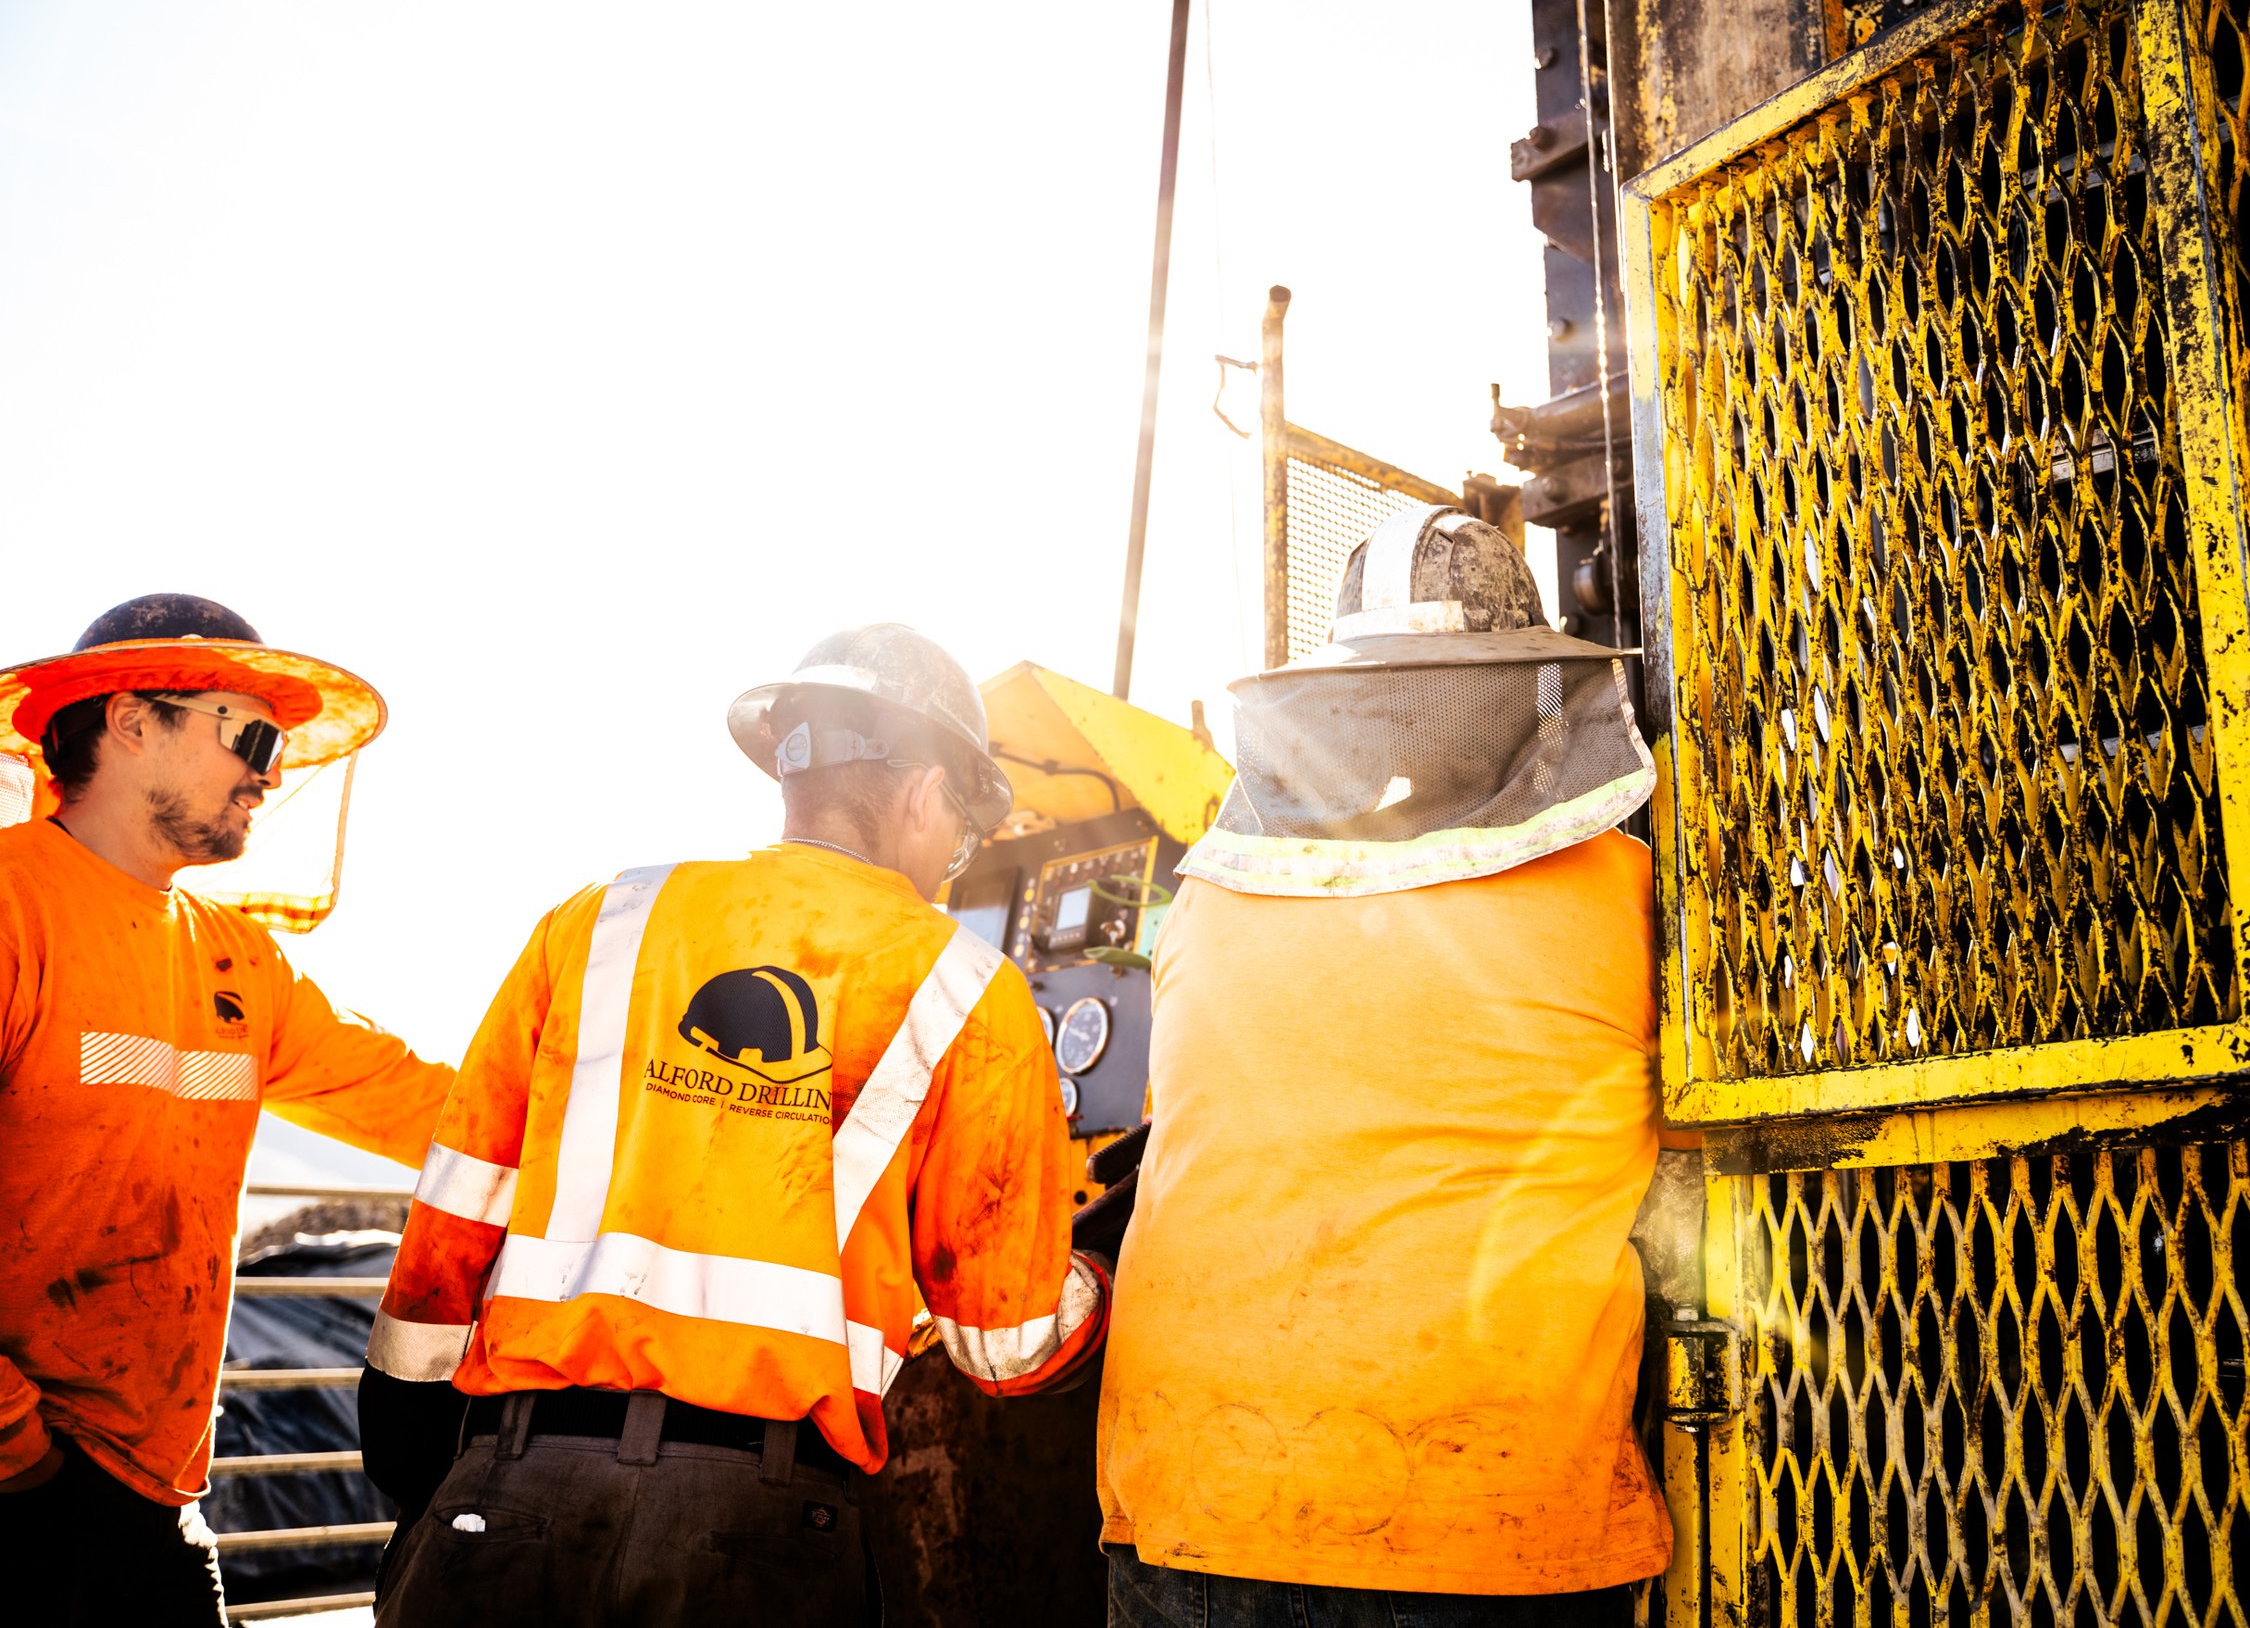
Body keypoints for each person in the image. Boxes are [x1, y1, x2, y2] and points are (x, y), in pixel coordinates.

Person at [360, 622, 1110, 1627]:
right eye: (963, 836)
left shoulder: (600, 920)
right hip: (757, 1526)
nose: (953, 862)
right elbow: (1003, 1341)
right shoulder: (966, 987)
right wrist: (1102, 1275)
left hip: (514, 1482)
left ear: (791, 766)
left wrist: (408, 1425)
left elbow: (462, 1195)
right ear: (928, 792)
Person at [1095, 511, 1682, 1623]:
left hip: (1195, 1490)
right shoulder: (1628, 891)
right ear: (1528, 690)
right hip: (1475, 1511)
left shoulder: (1207, 902)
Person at [0, 593, 457, 1627]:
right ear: (128, 720)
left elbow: (429, 1106)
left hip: (150, 1498)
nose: (271, 770)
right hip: (25, 1483)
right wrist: (18, 1453)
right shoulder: (13, 906)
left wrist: (645, 1120)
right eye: (248, 732)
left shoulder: (238, 958)